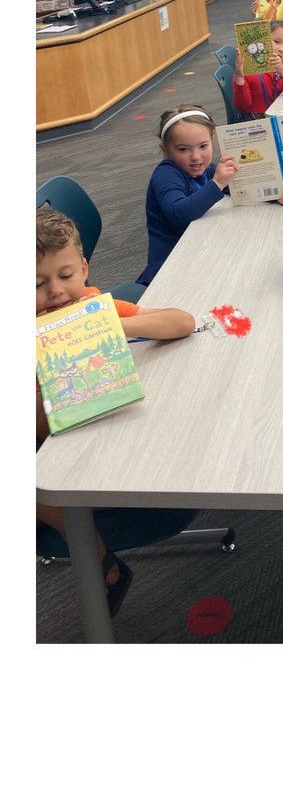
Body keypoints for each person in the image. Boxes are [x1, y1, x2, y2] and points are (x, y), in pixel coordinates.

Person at [38, 209, 196, 614]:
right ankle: (95, 551)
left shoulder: (97, 306)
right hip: (58, 455)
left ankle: (94, 553)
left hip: (117, 445)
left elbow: (183, 321)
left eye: (66, 276)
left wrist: (111, 324)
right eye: (36, 284)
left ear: (86, 269)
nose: (56, 293)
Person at [137, 105, 238, 285]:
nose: (196, 157)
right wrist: (218, 183)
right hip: (171, 267)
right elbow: (180, 214)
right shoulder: (166, 174)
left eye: (203, 146)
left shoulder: (207, 169)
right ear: (166, 150)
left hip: (201, 252)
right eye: (183, 149)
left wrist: (276, 195)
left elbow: (240, 188)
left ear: (212, 140)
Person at [232, 21, 283, 118]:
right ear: (263, 41)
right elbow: (243, 106)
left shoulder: (280, 69)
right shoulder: (247, 72)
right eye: (276, 42)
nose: (281, 49)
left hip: (280, 115)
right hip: (257, 122)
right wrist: (239, 78)